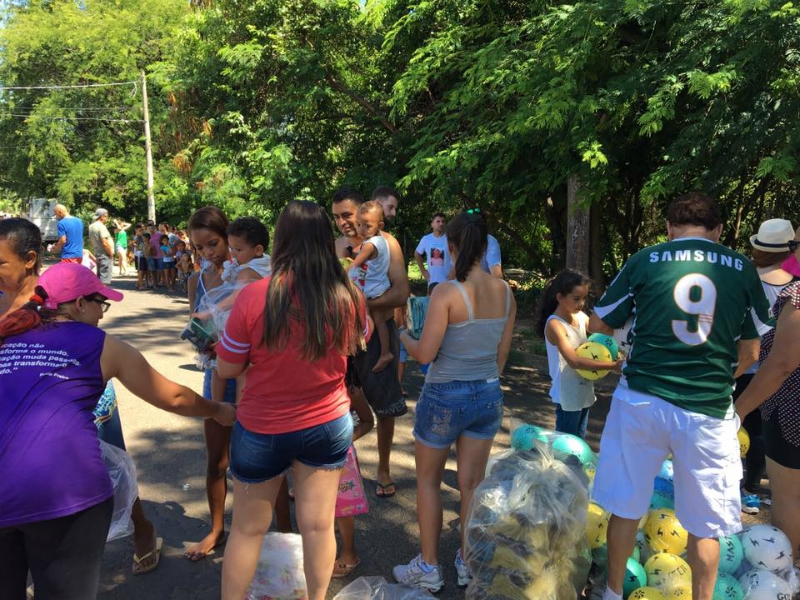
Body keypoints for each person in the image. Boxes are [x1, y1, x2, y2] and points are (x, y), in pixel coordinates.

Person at [0, 260, 235, 600]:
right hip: (64, 493)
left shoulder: (8, 336)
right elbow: (174, 397)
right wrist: (219, 410)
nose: (102, 314)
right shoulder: (100, 344)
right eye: (101, 304)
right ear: (80, 304)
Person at [587, 193, 770, 600]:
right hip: (708, 411)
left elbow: (598, 323)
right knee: (706, 527)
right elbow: (752, 352)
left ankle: (613, 593)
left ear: (669, 228)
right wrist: (719, 376)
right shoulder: (742, 267)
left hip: (642, 400)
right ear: (718, 230)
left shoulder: (645, 259)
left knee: (626, 506)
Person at [216, 200, 370, 600]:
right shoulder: (348, 296)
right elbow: (358, 343)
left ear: (281, 240)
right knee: (318, 526)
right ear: (324, 239)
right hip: (328, 422)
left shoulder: (255, 297)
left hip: (262, 426)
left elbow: (228, 368)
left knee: (248, 530)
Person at [394, 210, 516, 592]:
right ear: (486, 246)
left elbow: (425, 354)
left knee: (428, 481)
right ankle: (466, 561)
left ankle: (429, 566)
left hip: (445, 394)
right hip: (488, 392)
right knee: (472, 485)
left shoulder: (446, 292)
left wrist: (403, 335)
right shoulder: (506, 292)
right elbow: (502, 354)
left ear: (450, 246)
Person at [331, 187, 409, 498]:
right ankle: (329, 469)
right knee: (337, 405)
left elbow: (401, 293)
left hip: (378, 336)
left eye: (347, 215)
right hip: (342, 338)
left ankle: (384, 469)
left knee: (385, 406)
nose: (342, 223)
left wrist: (362, 305)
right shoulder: (336, 246)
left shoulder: (387, 243)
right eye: (336, 217)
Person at [184, 205, 238, 561]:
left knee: (261, 461)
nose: (207, 253)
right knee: (217, 461)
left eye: (213, 243)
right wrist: (204, 340)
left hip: (252, 376)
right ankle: (217, 528)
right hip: (215, 372)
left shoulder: (247, 272)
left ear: (227, 236)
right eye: (199, 247)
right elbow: (196, 328)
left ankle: (280, 533)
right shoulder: (196, 281)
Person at [733, 218, 797, 514]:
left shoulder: (743, 275)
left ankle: (730, 486)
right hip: (777, 375)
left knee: (732, 425)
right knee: (760, 434)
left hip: (740, 365)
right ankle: (751, 487)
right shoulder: (794, 281)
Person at [735, 274, 800, 560]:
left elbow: (782, 363)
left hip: (791, 414)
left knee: (788, 496)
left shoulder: (798, 296)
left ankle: (786, 571)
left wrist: (738, 410)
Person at [538, 269, 622, 438]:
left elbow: (601, 335)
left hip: (584, 391)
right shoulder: (555, 325)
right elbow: (574, 361)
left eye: (584, 298)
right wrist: (612, 365)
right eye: (576, 299)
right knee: (566, 445)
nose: (582, 303)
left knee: (579, 443)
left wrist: (616, 352)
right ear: (560, 297)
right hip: (567, 394)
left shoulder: (580, 317)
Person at [347, 201, 394, 372]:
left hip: (371, 289)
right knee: (380, 321)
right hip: (378, 286)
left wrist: (341, 271)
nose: (361, 229)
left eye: (367, 226)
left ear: (379, 225)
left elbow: (355, 264)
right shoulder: (379, 241)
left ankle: (361, 341)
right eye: (359, 224)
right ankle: (385, 352)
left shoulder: (370, 244)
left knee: (364, 314)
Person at [415, 212, 450, 291]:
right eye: (438, 221)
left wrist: (453, 272)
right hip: (432, 281)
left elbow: (457, 256)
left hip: (448, 281)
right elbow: (417, 254)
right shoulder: (426, 239)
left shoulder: (450, 238)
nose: (441, 224)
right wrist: (424, 271)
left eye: (443, 221)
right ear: (432, 224)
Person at [88, 208, 114, 285]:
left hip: (98, 253)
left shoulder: (91, 226)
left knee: (99, 277)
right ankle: (103, 292)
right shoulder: (101, 226)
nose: (107, 218)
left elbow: (91, 241)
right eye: (106, 216)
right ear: (102, 216)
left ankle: (98, 292)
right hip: (104, 254)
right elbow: (104, 242)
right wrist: (110, 253)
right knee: (104, 279)